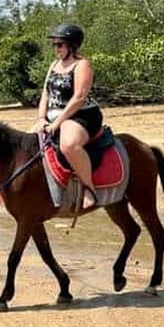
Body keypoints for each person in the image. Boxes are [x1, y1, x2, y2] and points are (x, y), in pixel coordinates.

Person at [36, 23, 103, 210]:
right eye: (54, 44)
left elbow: (79, 97)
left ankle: (89, 188)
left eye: (60, 44)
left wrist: (57, 123)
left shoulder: (82, 65)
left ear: (72, 46)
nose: (56, 48)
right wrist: (41, 118)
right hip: (53, 116)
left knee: (69, 145)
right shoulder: (54, 65)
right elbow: (45, 94)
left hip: (81, 115)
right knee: (22, 143)